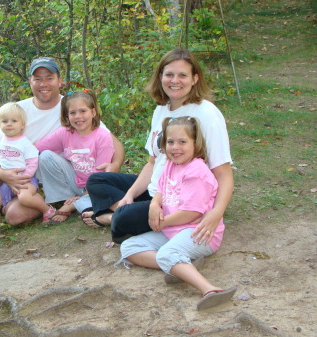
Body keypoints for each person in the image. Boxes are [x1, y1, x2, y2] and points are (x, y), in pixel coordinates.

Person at [0, 57, 124, 241]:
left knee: (14, 216)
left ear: (59, 80)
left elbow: (114, 143)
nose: (43, 84)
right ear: (30, 82)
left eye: (49, 77)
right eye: (37, 79)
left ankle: (28, 203)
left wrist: (114, 167)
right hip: (12, 168)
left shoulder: (73, 107)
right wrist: (1, 173)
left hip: (42, 176)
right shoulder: (18, 110)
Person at [83, 48, 233, 246]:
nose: (174, 81)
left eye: (182, 75)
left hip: (180, 198)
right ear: (160, 76)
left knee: (122, 218)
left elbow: (224, 173)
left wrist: (216, 213)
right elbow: (153, 162)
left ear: (195, 79)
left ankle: (111, 217)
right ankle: (128, 209)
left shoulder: (207, 114)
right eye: (169, 74)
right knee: (96, 180)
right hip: (157, 189)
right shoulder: (161, 110)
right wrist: (129, 195)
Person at [119, 116, 236, 310]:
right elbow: (161, 190)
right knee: (129, 247)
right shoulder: (171, 165)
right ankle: (182, 266)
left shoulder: (196, 172)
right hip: (174, 230)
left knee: (167, 253)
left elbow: (191, 213)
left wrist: (162, 223)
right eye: (170, 142)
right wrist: (154, 204)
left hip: (200, 232)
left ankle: (209, 289)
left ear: (195, 143)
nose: (175, 147)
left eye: (182, 142)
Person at [0, 103, 56, 240]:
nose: (9, 124)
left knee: (24, 197)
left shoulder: (25, 143)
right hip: (7, 182)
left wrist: (24, 178)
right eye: (4, 121)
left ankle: (47, 210)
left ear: (22, 125)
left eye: (14, 121)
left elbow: (33, 162)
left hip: (26, 179)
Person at [35, 89, 114, 222]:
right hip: (76, 181)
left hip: (97, 185)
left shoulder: (102, 136)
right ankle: (67, 199)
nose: (78, 116)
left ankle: (74, 205)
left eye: (83, 111)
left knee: (101, 201)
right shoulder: (64, 132)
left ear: (93, 112)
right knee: (45, 156)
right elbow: (37, 148)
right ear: (67, 116)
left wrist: (85, 194)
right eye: (73, 113)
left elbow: (102, 175)